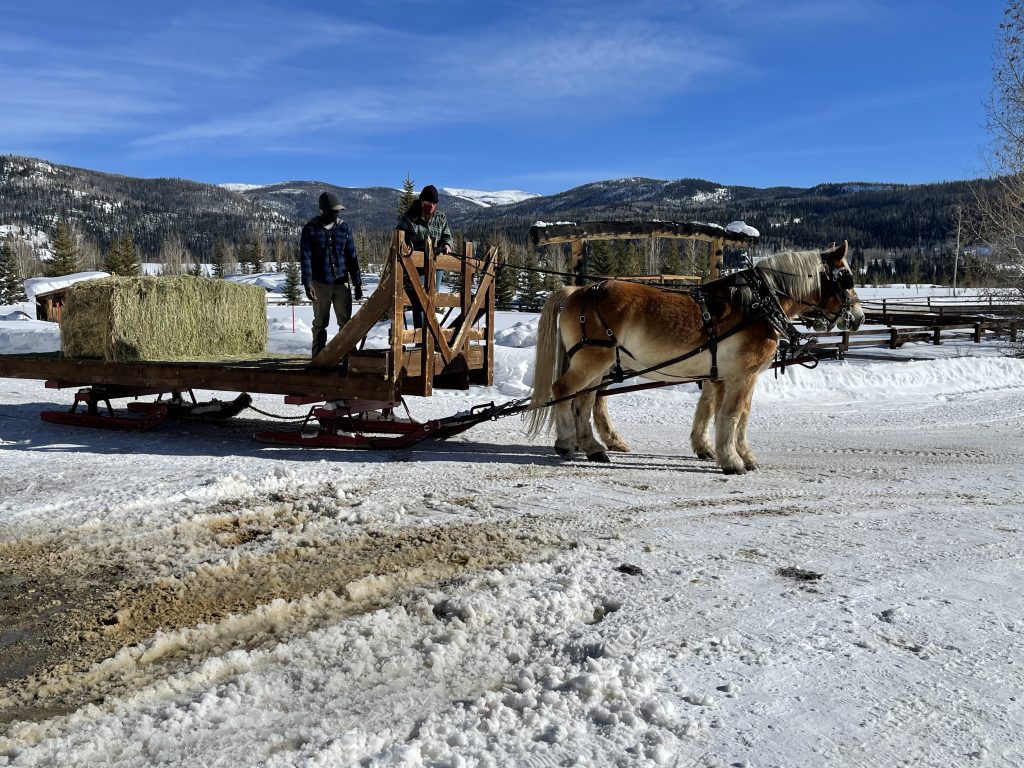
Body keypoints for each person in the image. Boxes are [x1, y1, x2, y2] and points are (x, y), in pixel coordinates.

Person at [300, 191, 363, 360]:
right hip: (320, 283)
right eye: (333, 210)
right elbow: (305, 258)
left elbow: (352, 256)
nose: (337, 213)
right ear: (323, 211)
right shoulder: (310, 229)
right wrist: (307, 284)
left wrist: (357, 283)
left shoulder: (344, 227)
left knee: (346, 323)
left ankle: (348, 358)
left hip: (342, 283)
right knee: (320, 323)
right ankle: (318, 359)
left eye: (338, 211)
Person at [395, 185, 454, 329]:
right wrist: (405, 245)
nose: (431, 207)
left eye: (434, 204)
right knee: (420, 298)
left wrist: (447, 244)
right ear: (422, 202)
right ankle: (421, 334)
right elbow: (398, 236)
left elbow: (447, 236)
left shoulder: (440, 218)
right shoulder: (410, 217)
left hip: (436, 263)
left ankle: (430, 333)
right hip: (416, 264)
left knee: (432, 298)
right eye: (428, 204)